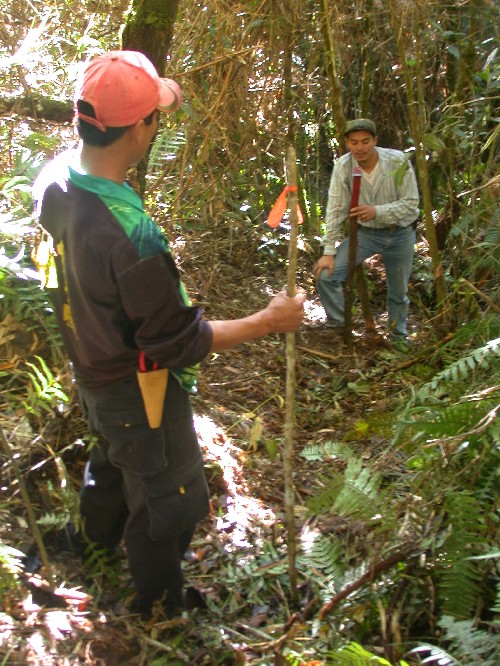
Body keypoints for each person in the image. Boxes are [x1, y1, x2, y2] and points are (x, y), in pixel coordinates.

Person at [32, 50, 305, 619]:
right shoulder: (132, 240)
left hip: (93, 370)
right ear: (141, 128)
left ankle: (91, 546)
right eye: (156, 115)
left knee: (111, 460)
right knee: (170, 499)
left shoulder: (55, 179)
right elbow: (179, 341)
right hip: (140, 387)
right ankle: (159, 606)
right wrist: (268, 322)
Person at [313, 118, 420, 340]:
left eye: (365, 141)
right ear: (346, 143)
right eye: (353, 142)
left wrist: (377, 211)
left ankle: (398, 337)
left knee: (399, 293)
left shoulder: (397, 160)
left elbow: (411, 202)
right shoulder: (344, 166)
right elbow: (336, 208)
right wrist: (329, 251)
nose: (359, 148)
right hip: (366, 234)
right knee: (325, 275)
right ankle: (340, 324)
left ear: (375, 141)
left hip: (401, 234)